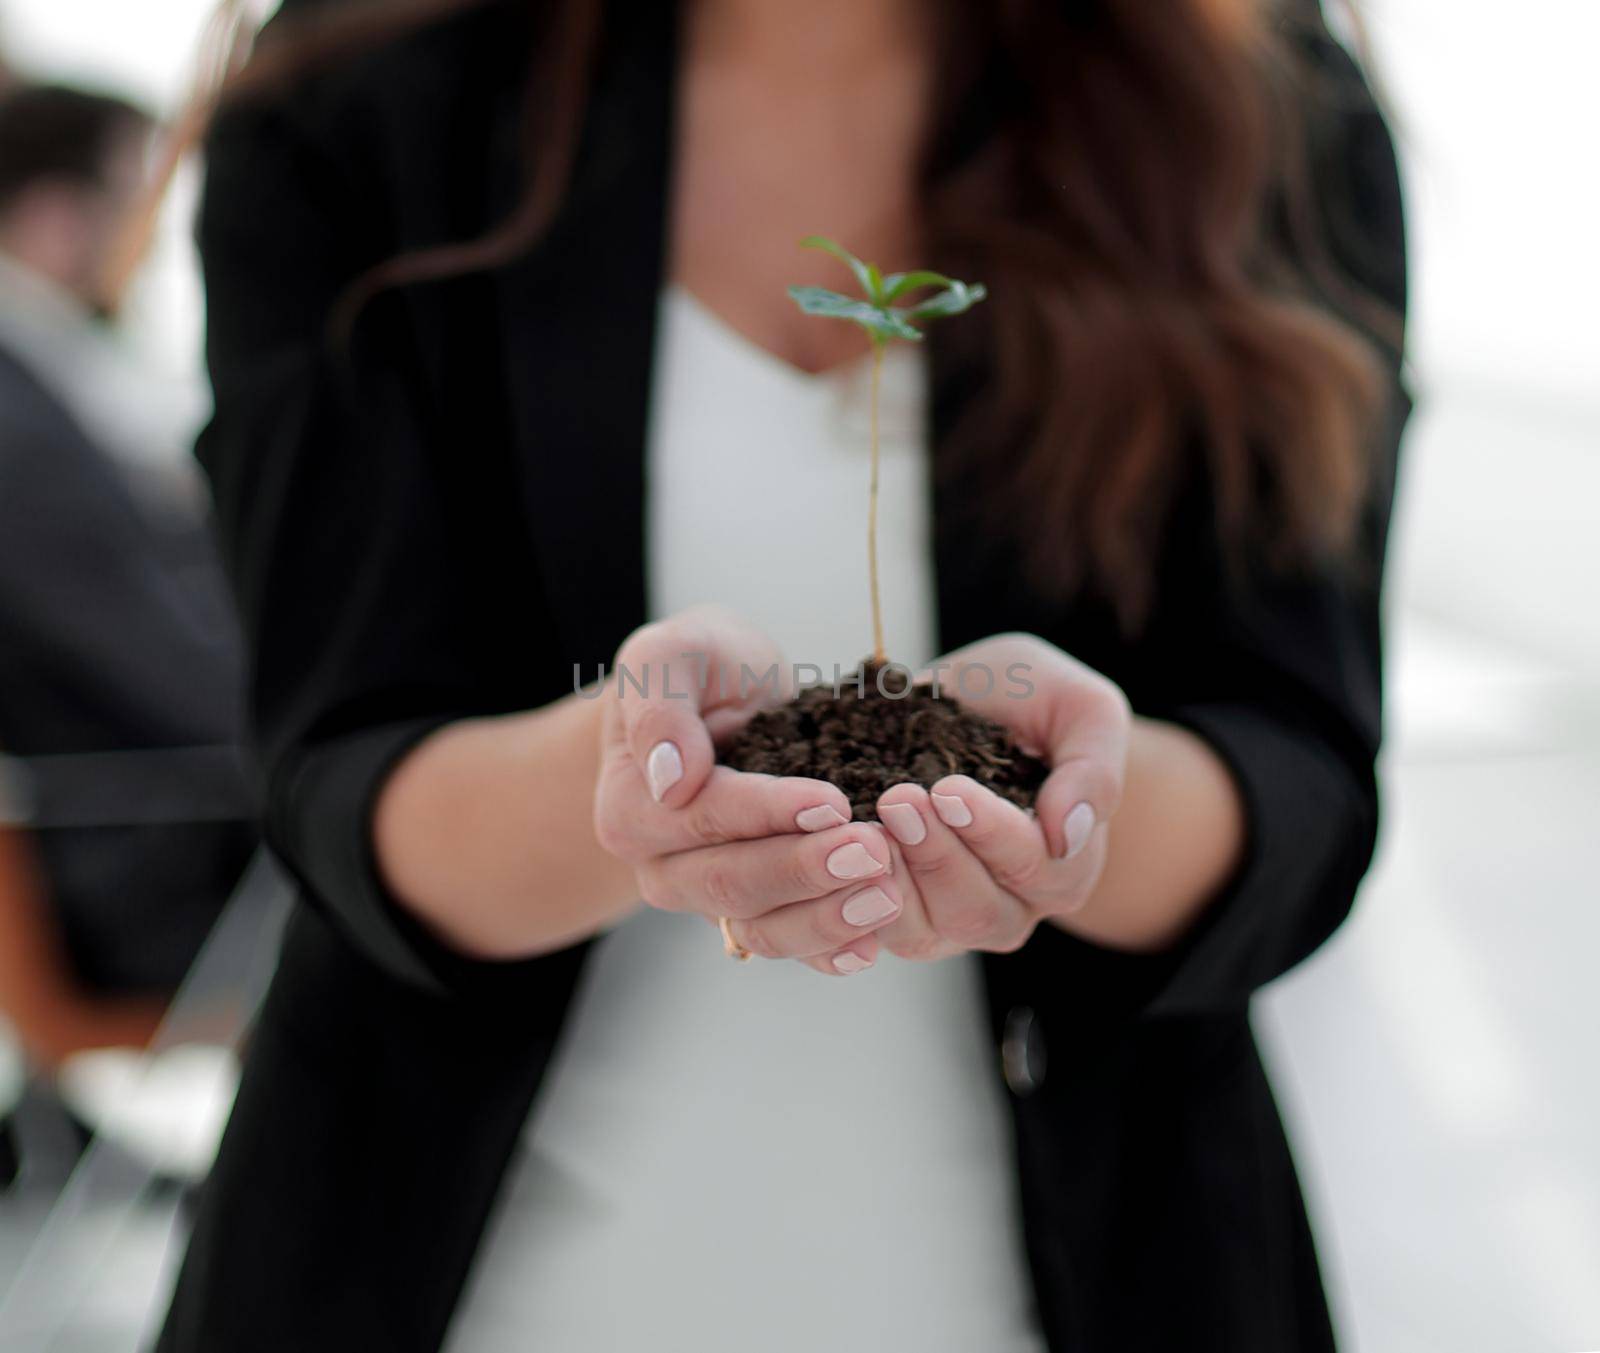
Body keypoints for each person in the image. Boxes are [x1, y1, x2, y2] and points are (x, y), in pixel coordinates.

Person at [158, 0, 1409, 1348]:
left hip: (1093, 1274)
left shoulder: (1255, 98)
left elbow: (1302, 764)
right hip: (468, 1281)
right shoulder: (362, 82)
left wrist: (1078, 814)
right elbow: (339, 761)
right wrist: (628, 782)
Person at [0, 84, 256, 1069]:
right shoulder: (21, 431)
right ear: (56, 219)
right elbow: (174, 681)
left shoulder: (52, 386)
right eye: (136, 202)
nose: (150, 244)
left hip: (155, 832)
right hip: (152, 878)